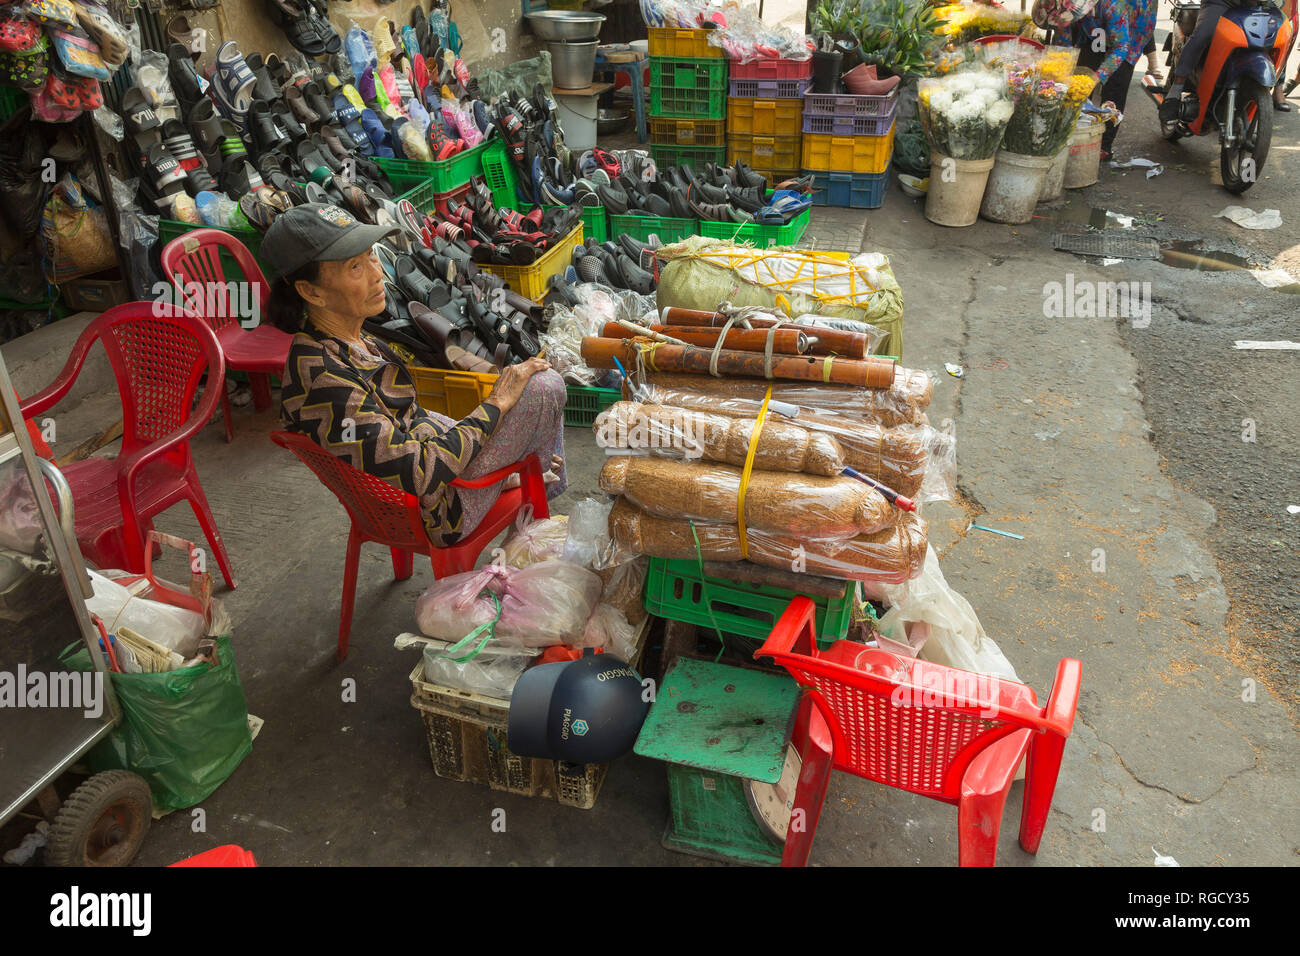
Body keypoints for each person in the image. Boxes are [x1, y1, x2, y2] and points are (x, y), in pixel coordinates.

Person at [262, 203, 567, 548]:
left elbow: (411, 420)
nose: (377, 274)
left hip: (434, 478)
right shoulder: (321, 381)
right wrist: (496, 405)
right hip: (434, 511)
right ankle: (533, 511)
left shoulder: (345, 339)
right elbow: (419, 471)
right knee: (544, 387)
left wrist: (490, 433)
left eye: (371, 256)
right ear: (310, 291)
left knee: (529, 385)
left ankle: (530, 489)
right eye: (355, 267)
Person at [1072, 0, 1158, 156]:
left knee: (1115, 85)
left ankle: (1104, 146)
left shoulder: (1113, 6)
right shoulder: (1072, 7)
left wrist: (1099, 76)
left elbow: (1121, 47)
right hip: (1094, 25)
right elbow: (1062, 35)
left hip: (1131, 24)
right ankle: (1075, 136)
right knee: (1081, 79)